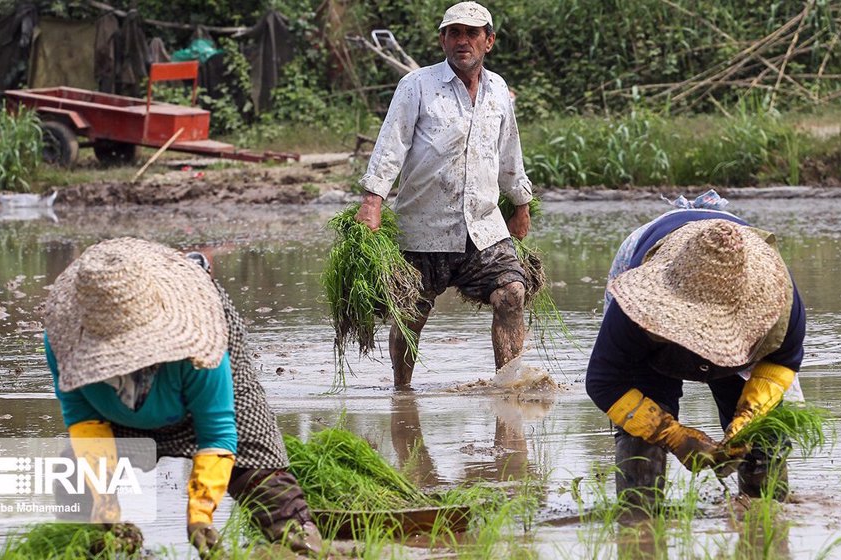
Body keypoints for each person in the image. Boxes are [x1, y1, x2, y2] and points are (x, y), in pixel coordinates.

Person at [43, 237, 322, 557]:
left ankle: (301, 545)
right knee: (76, 479)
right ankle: (106, 548)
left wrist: (200, 515)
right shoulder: (65, 341)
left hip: (205, 382)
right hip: (118, 418)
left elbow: (217, 428)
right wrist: (105, 510)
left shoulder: (198, 333)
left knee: (267, 484)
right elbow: (84, 422)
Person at [585, 192, 806, 507]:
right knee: (640, 450)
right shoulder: (637, 302)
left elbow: (783, 361)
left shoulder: (778, 299)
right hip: (658, 331)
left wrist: (747, 417)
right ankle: (639, 529)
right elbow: (604, 381)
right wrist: (671, 434)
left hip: (745, 343)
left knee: (764, 445)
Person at [354, 1, 534, 388]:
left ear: (489, 41)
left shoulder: (499, 90)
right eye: (454, 33)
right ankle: (403, 391)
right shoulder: (416, 86)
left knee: (512, 293)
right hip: (423, 228)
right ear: (442, 40)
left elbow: (508, 152)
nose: (462, 41)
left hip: (483, 228)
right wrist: (372, 200)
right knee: (411, 313)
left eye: (471, 34)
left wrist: (520, 202)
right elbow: (391, 145)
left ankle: (509, 387)